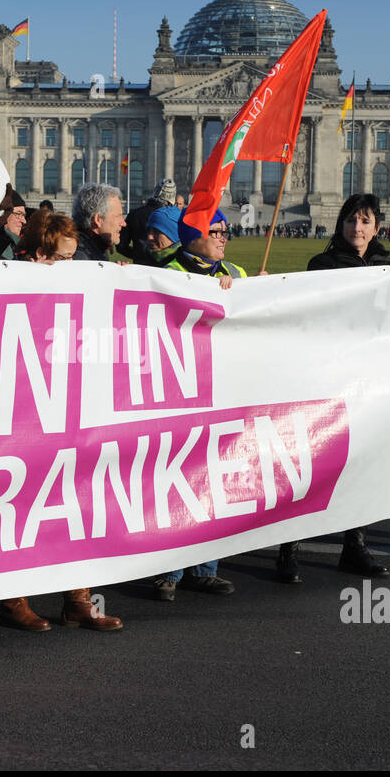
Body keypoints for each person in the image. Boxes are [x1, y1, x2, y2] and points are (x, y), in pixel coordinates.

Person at [0, 211, 123, 631]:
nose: (70, 266)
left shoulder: (74, 282)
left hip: (66, 406)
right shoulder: (6, 278)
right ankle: (13, 598)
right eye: (61, 258)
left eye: (72, 257)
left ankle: (78, 599)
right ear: (36, 253)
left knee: (75, 499)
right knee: (21, 503)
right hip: (21, 411)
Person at [273, 195, 390, 582]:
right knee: (312, 463)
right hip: (326, 380)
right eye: (350, 220)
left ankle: (354, 546)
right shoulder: (323, 265)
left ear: (376, 227)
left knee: (360, 464)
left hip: (367, 381)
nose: (356, 228)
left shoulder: (389, 267)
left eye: (364, 221)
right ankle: (289, 548)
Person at [151, 206, 241, 601]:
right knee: (176, 480)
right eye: (216, 231)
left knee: (213, 481)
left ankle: (205, 568)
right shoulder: (166, 273)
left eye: (225, 231)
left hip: (220, 391)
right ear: (194, 236)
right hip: (179, 393)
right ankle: (167, 571)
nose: (223, 238)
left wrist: (255, 292)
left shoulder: (235, 273)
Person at [117, 177, 175, 262]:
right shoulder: (174, 217)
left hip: (140, 266)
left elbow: (120, 246)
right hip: (165, 267)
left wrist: (138, 256)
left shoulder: (134, 214)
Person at [70, 183, 125, 261]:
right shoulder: (80, 257)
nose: (124, 223)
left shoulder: (94, 247)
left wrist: (113, 268)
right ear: (98, 220)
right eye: (118, 216)